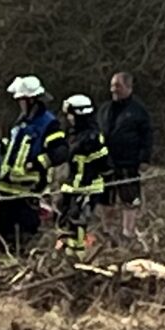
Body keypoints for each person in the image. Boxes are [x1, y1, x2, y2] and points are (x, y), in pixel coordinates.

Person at [0, 75, 61, 253]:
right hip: (8, 189)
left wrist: (36, 164)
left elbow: (59, 152)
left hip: (29, 189)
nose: (19, 104)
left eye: (21, 100)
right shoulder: (22, 121)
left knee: (25, 234)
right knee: (4, 233)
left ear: (30, 99)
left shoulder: (49, 123)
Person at [98, 71, 153, 249]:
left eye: (118, 86)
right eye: (112, 85)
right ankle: (108, 232)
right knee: (106, 199)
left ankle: (128, 233)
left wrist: (144, 158)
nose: (113, 89)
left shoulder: (139, 111)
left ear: (129, 87)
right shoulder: (105, 109)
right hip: (106, 162)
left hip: (129, 162)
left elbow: (147, 136)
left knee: (130, 199)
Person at [56, 93, 109, 247]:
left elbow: (102, 164)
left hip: (88, 188)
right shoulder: (72, 135)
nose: (69, 119)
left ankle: (81, 253)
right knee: (67, 223)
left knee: (81, 224)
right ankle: (69, 253)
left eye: (71, 115)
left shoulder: (93, 138)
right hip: (72, 187)